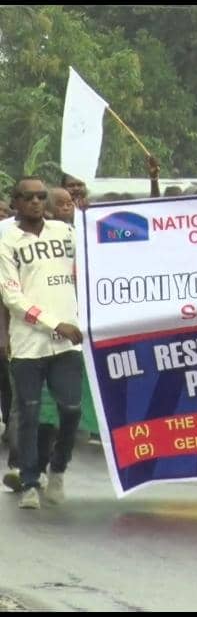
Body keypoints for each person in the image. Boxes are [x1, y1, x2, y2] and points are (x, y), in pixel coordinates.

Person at [0, 178, 84, 510]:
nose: (36, 202)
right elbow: (11, 296)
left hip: (67, 344)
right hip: (28, 344)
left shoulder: (65, 234)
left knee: (71, 410)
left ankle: (59, 468)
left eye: (40, 196)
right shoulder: (6, 240)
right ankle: (31, 481)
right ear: (15, 202)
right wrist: (54, 323)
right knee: (30, 413)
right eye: (28, 197)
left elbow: (106, 254)